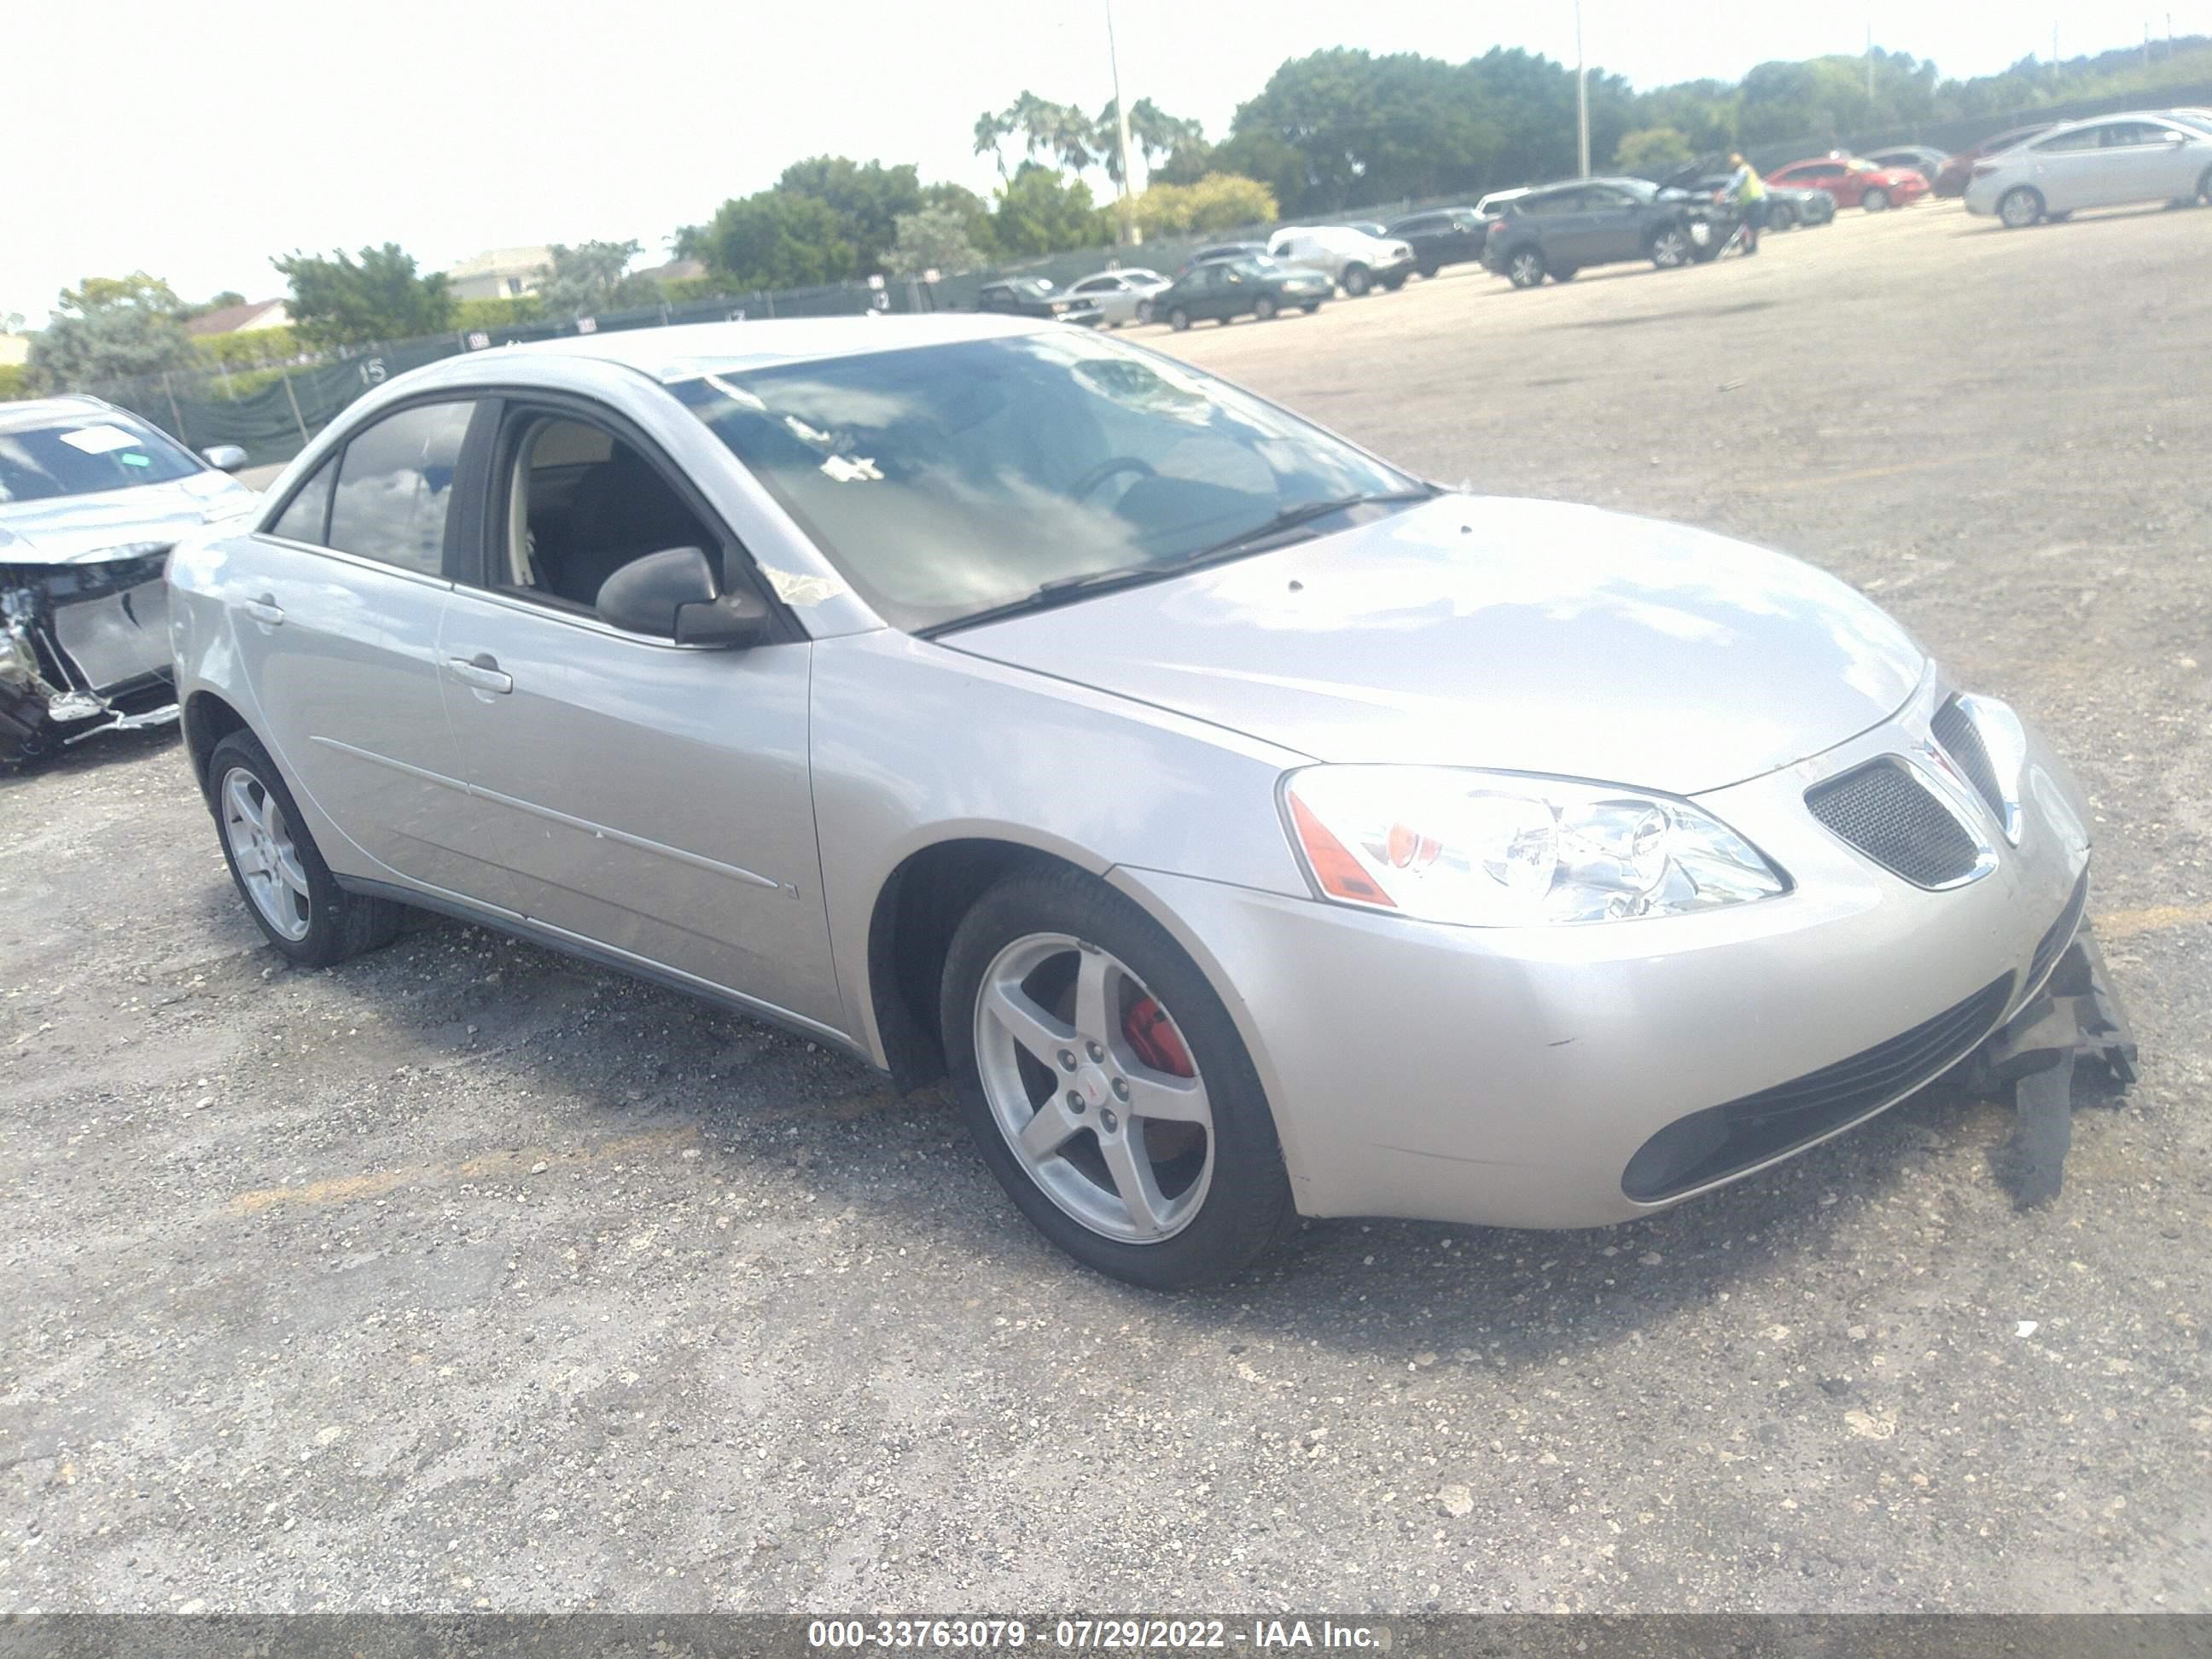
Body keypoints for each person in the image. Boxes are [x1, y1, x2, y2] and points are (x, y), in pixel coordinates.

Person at [1716, 153, 1768, 255]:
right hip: (1758, 199)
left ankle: (1751, 247)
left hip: (1753, 200)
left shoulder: (1743, 170)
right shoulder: (1749, 169)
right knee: (1753, 226)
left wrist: (1723, 194)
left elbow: (1735, 183)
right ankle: (1752, 247)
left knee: (1748, 225)